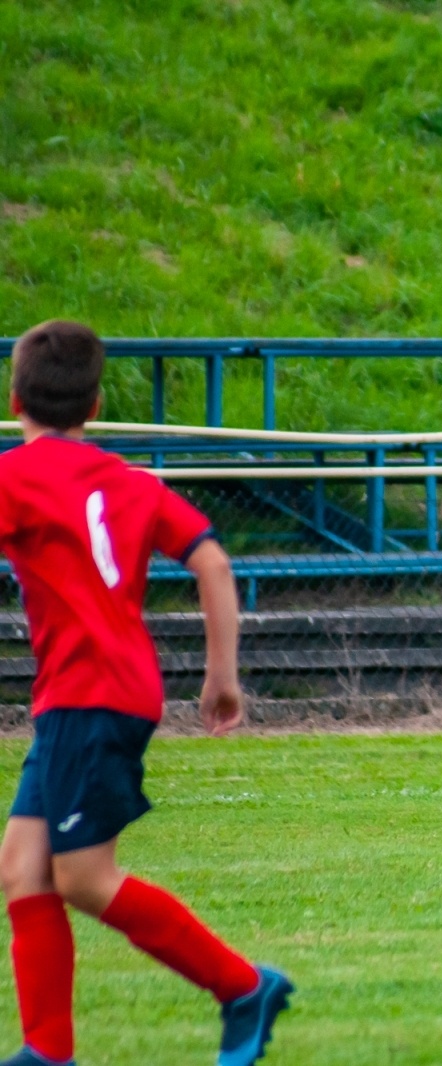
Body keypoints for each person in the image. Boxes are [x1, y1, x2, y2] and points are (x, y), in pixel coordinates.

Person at [0, 321, 292, 1066]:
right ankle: (47, 1050)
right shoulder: (131, 481)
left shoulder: (13, 477)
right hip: (110, 691)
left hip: (85, 696)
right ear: (95, 404)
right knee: (22, 867)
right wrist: (221, 676)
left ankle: (241, 986)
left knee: (83, 876)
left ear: (14, 398)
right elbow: (214, 566)